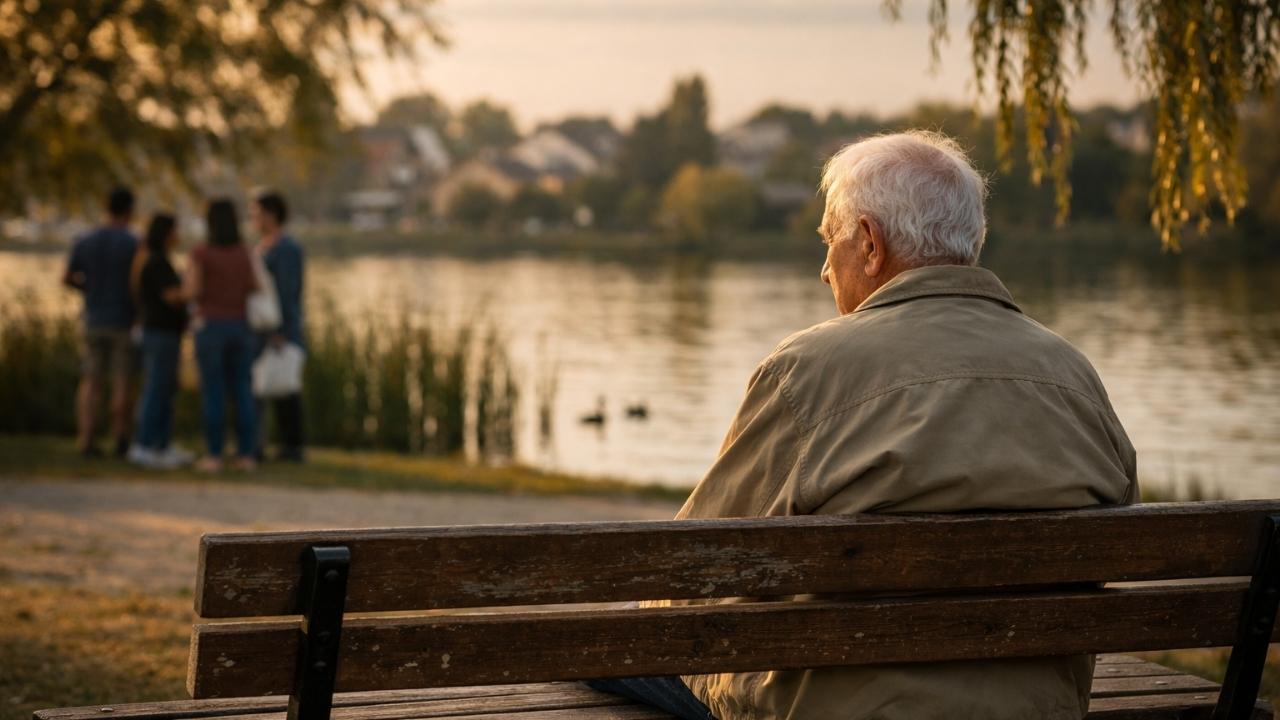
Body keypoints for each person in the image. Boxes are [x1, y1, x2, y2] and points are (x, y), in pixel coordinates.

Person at [589, 132, 1138, 720]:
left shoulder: (806, 371)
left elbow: (690, 568)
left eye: (830, 242)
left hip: (840, 709)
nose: (825, 271)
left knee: (610, 644)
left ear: (870, 244)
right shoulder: (1073, 373)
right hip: (1041, 707)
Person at [63, 186, 140, 458]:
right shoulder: (133, 243)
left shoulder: (85, 241)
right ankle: (120, 438)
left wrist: (89, 289)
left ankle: (86, 439)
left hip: (93, 318)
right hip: (123, 320)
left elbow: (67, 277)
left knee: (91, 382)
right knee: (123, 381)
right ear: (129, 210)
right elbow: (138, 282)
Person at [186, 199, 259, 472]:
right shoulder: (244, 252)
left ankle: (214, 455)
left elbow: (194, 291)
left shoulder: (201, 253)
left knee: (213, 391)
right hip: (241, 326)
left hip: (211, 326)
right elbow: (254, 285)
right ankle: (246, 455)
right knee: (242, 391)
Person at [127, 213, 194, 469]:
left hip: (162, 333)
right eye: (176, 230)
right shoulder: (156, 262)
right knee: (156, 389)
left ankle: (161, 445)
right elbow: (172, 296)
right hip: (160, 334)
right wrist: (191, 287)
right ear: (166, 233)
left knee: (165, 390)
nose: (179, 235)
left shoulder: (151, 259)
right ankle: (144, 445)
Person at [250, 190, 306, 462]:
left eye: (257, 214)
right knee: (260, 386)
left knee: (286, 387)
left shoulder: (286, 249)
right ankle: (257, 443)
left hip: (280, 329)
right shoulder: (262, 247)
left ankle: (292, 447)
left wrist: (280, 330)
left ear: (271, 215)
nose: (253, 219)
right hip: (261, 328)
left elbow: (287, 291)